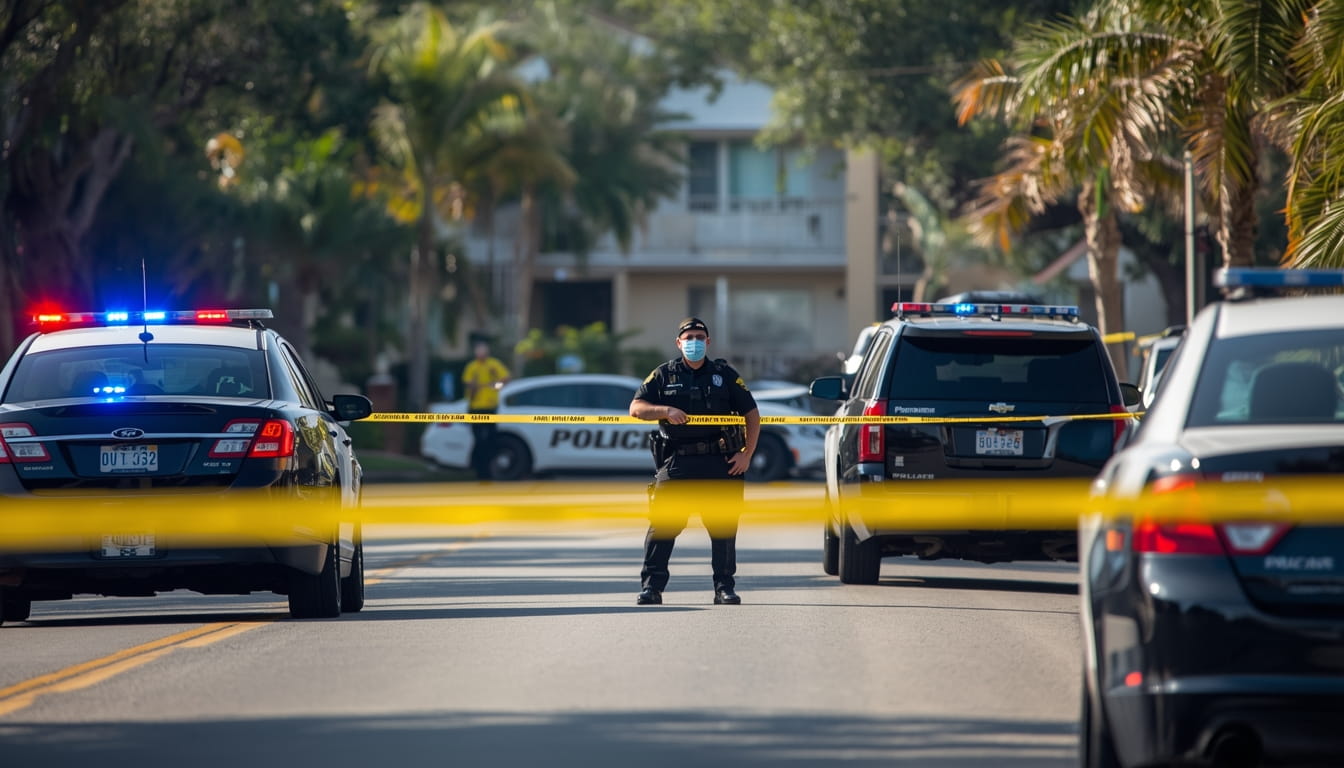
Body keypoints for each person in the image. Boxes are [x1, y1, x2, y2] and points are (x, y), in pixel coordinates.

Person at [629, 317, 760, 606]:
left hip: (720, 461)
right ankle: (652, 587)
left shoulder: (724, 375)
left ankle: (724, 588)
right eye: (688, 338)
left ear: (708, 342)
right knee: (663, 526)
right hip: (678, 461)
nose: (694, 342)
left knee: (723, 528)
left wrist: (746, 454)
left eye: (699, 337)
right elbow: (636, 408)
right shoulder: (664, 375)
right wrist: (665, 409)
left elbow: (752, 414)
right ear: (678, 343)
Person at [461, 341, 511, 479]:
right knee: (478, 439)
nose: (481, 354)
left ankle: (486, 468)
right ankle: (479, 469)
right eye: (479, 351)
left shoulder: (493, 364)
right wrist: (474, 386)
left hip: (490, 407)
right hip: (476, 408)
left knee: (491, 439)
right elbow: (468, 383)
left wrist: (496, 385)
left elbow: (506, 379)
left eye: (483, 351)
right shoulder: (472, 367)